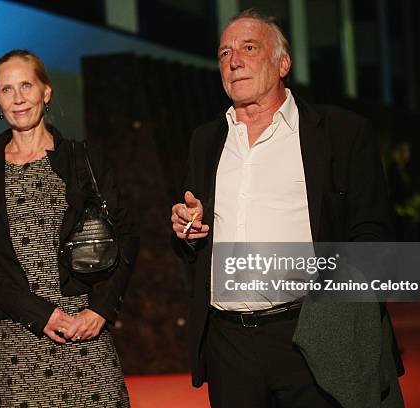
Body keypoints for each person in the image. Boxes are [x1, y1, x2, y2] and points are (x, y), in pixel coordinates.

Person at [171, 10, 404, 408]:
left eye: (248, 48)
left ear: (283, 63)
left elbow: (372, 233)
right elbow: (195, 235)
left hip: (311, 334)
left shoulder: (341, 133)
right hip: (229, 345)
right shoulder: (205, 140)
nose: (234, 60)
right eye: (224, 52)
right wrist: (187, 231)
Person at [0, 49, 138, 407]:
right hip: (17, 332)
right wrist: (40, 314)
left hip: (82, 327)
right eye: (7, 89)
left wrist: (101, 310)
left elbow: (126, 237)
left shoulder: (84, 158)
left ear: (46, 91)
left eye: (26, 85)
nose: (18, 98)